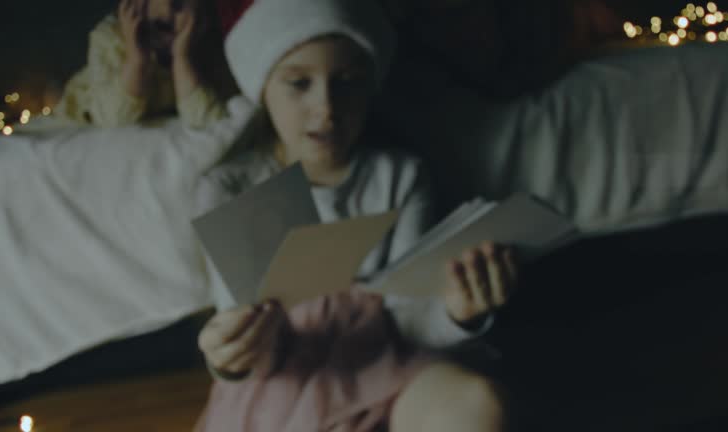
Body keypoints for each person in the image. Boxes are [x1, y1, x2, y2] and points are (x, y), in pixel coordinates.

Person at [193, 0, 518, 430]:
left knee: (480, 404)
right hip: (284, 376)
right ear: (262, 88)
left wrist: (459, 312)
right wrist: (231, 352)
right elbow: (242, 333)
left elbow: (410, 319)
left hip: (386, 363)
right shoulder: (228, 188)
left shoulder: (400, 176)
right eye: (298, 83)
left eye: (347, 82)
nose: (326, 108)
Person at [52, 0, 236, 128]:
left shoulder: (204, 46)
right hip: (89, 107)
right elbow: (114, 119)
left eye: (179, 2)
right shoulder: (109, 39)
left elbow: (208, 119)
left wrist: (182, 59)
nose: (167, 8)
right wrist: (136, 59)